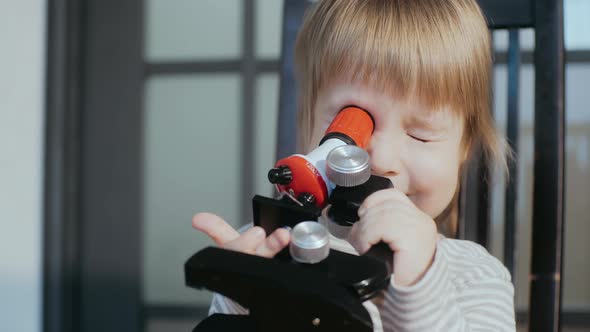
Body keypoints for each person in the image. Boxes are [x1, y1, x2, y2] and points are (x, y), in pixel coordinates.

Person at [192, 0, 516, 331]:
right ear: (307, 123)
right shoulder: (267, 245)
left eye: (420, 135)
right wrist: (243, 288)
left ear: (465, 147)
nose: (380, 159)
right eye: (353, 124)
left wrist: (419, 289)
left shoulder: (474, 277)